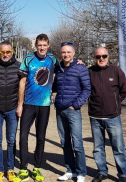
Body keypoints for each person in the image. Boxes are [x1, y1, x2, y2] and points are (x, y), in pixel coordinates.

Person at [14, 33, 57, 182]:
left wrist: (80, 62)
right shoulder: (28, 59)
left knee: (40, 137)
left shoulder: (53, 59)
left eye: (45, 45)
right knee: (23, 136)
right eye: (39, 45)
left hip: (44, 105)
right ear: (36, 45)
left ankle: (37, 168)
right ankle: (24, 168)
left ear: (48, 45)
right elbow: (22, 82)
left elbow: (66, 66)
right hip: (29, 104)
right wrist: (20, 104)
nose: (42, 48)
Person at [88, 47, 126, 182]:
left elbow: (124, 89)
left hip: (113, 117)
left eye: (104, 56)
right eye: (98, 56)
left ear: (108, 57)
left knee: (118, 147)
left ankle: (122, 174)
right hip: (95, 117)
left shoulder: (116, 71)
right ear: (94, 58)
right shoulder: (90, 72)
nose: (101, 59)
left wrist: (115, 102)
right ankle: (102, 172)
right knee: (98, 148)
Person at [53, 42, 91, 182]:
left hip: (73, 110)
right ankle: (70, 170)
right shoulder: (59, 67)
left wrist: (75, 105)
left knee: (77, 143)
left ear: (74, 53)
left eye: (69, 52)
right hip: (60, 110)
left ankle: (81, 172)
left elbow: (87, 89)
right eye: (63, 52)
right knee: (65, 142)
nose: (66, 54)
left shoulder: (80, 68)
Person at [0, 41, 21, 182]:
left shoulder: (19, 67)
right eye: (3, 52)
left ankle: (11, 170)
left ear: (12, 52)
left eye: (8, 52)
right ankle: (0, 170)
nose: (5, 54)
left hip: (13, 109)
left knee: (11, 141)